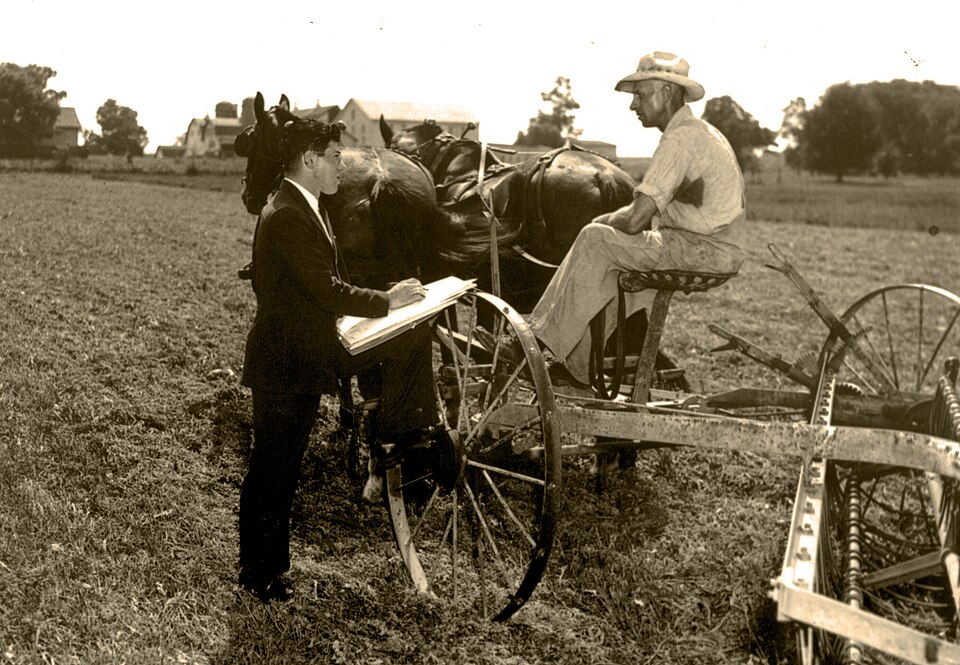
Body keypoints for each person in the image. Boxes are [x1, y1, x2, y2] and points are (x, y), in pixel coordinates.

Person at [238, 118, 441, 602]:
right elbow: (327, 289)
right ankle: (258, 576)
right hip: (287, 362)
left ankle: (269, 569)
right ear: (309, 162)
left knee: (281, 469)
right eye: (333, 157)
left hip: (301, 353)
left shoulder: (302, 207)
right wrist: (388, 299)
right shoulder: (288, 214)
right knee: (273, 470)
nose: (338, 166)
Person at [501, 52, 746, 387]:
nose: (634, 105)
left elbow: (635, 220)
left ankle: (533, 341)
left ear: (666, 92)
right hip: (712, 246)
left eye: (640, 95)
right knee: (609, 272)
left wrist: (603, 220)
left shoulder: (680, 140)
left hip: (700, 247)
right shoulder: (700, 132)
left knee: (593, 238)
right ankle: (576, 368)